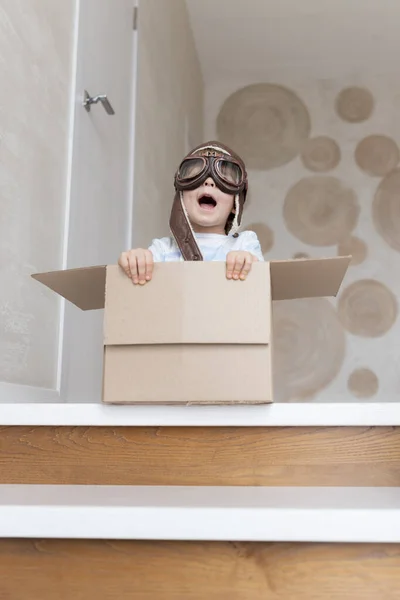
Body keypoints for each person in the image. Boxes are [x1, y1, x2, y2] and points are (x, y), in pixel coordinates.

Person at [118, 141, 264, 285]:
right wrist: (136, 260)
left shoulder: (244, 244)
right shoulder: (162, 250)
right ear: (181, 197)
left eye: (224, 179)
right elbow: (138, 274)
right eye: (195, 175)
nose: (208, 182)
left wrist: (247, 262)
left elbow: (261, 281)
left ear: (235, 204)